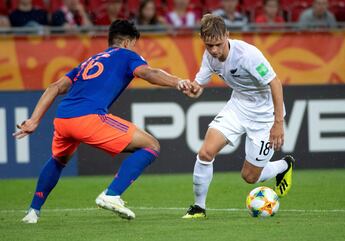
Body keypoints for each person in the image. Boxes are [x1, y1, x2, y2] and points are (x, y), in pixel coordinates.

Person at [14, 19, 192, 224]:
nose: (134, 48)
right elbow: (148, 73)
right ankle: (112, 194)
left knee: (59, 160)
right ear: (127, 42)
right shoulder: (127, 55)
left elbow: (54, 87)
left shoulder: (88, 61)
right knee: (151, 146)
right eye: (134, 44)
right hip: (88, 117)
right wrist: (178, 82)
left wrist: (34, 120)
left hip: (63, 118)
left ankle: (33, 212)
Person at [181, 14, 295, 219]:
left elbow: (275, 83)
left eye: (217, 44)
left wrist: (278, 122)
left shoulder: (248, 55)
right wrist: (193, 89)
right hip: (238, 107)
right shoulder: (209, 56)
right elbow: (200, 83)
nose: (214, 50)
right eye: (209, 45)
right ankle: (199, 207)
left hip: (265, 115)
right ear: (202, 40)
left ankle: (284, 165)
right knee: (206, 153)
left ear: (227, 35)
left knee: (250, 177)